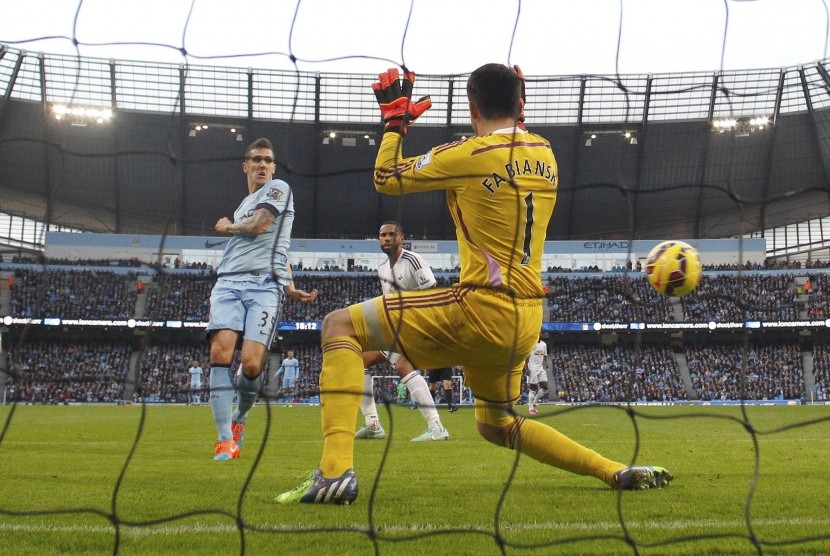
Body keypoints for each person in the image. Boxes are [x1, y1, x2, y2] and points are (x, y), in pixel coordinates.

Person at [276, 64, 671, 504]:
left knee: (337, 326)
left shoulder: (469, 154)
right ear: (521, 105)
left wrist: (394, 124)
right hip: (526, 321)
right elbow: (512, 149)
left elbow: (385, 177)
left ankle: (333, 474)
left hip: (481, 306)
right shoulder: (547, 152)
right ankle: (613, 470)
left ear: (472, 107)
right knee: (496, 425)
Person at [206, 137, 317, 462]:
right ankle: (224, 440)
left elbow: (260, 227)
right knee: (220, 350)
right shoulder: (245, 202)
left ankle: (240, 417)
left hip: (263, 288)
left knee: (252, 364)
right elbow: (279, 249)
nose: (263, 165)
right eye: (256, 160)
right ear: (246, 166)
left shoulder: (279, 189)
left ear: (273, 167)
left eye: (268, 160)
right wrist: (292, 284)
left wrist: (227, 228)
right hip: (227, 283)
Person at [354, 221, 450, 442]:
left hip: (418, 325)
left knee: (399, 364)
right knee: (363, 360)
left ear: (401, 237)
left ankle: (436, 427)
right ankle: (373, 424)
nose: (386, 238)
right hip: (396, 327)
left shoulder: (413, 260)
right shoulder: (382, 269)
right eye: (382, 235)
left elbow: (432, 294)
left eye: (391, 234)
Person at [525, 336, 549, 415]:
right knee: (533, 388)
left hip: (540, 368)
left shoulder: (543, 344)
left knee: (545, 387)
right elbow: (526, 358)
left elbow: (545, 355)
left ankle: (534, 402)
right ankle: (530, 408)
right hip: (532, 368)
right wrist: (527, 369)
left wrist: (546, 363)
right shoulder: (531, 344)